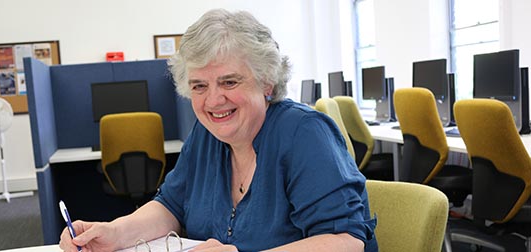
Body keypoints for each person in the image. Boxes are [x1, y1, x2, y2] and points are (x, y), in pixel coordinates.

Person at [60, 9, 377, 252]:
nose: (213, 100)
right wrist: (114, 233)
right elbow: (171, 206)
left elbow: (346, 241)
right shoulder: (206, 136)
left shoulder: (304, 134)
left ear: (266, 81)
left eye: (229, 81)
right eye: (199, 86)